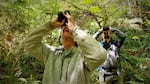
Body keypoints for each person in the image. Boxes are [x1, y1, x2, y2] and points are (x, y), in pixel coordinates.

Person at [22, 11, 107, 84]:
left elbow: (100, 56)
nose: (66, 26)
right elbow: (29, 43)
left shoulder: (83, 57)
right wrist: (50, 25)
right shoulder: (50, 54)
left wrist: (75, 29)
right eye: (64, 26)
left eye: (68, 25)